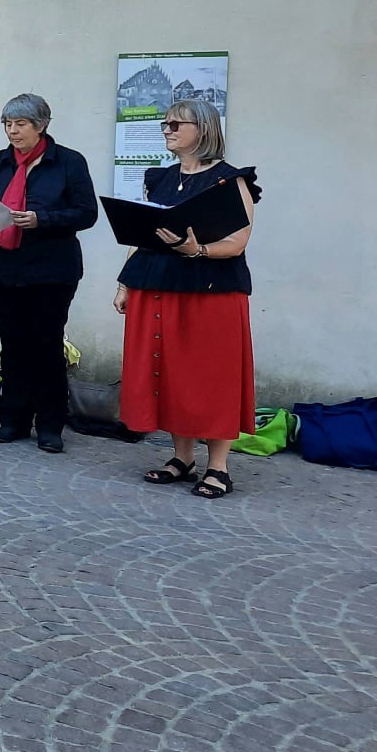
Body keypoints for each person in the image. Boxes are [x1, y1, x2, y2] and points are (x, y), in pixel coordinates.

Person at [117, 98, 258, 498]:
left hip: (211, 291)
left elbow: (238, 241)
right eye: (165, 124)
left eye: (176, 124)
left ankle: (218, 467)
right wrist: (124, 284)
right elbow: (140, 236)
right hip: (157, 285)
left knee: (210, 376)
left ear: (204, 128)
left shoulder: (230, 180)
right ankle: (182, 457)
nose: (167, 130)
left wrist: (196, 251)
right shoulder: (159, 178)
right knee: (171, 372)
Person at [0, 93, 98, 453]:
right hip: (3, 268)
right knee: (12, 346)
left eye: (20, 124)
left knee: (46, 345)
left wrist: (43, 220)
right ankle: (12, 420)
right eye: (8, 124)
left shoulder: (69, 163)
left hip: (51, 269)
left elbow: (86, 213)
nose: (13, 131)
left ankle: (50, 426)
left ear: (41, 126)